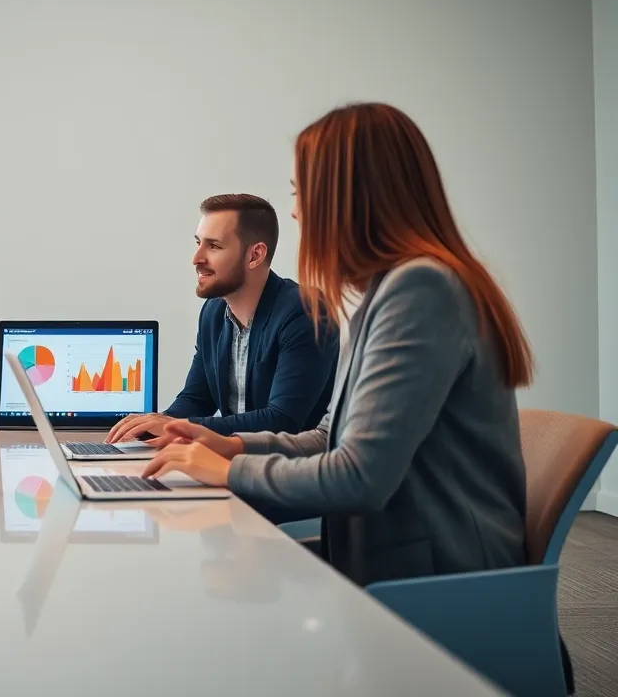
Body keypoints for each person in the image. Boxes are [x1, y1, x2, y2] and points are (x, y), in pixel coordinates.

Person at [138, 102, 531, 584]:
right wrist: (228, 443)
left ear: (351, 197)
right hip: (393, 554)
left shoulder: (421, 291)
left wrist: (227, 471)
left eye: (302, 192)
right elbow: (330, 437)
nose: (297, 210)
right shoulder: (390, 292)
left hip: (441, 576)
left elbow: (358, 476)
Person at [106, 194, 339, 443]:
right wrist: (150, 425)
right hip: (237, 465)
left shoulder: (305, 311)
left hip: (292, 473)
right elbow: (197, 399)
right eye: (198, 243)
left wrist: (178, 427)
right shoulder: (213, 312)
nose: (196, 258)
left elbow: (282, 420)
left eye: (213, 246)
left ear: (255, 255)